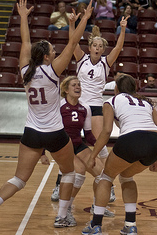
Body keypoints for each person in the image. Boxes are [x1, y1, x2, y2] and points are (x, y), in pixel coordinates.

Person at [0, 0, 92, 234]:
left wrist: (23, 17)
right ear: (47, 57)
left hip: (31, 132)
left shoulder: (25, 70)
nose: (55, 51)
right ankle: (61, 218)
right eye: (52, 50)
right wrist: (84, 19)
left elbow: (25, 41)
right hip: (55, 133)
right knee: (69, 172)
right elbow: (73, 42)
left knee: (19, 179)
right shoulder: (53, 70)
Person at [81, 74, 157, 235]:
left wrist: (92, 156)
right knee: (126, 177)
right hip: (153, 143)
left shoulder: (111, 101)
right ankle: (130, 224)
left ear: (116, 89)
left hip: (131, 139)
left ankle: (96, 225)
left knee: (106, 177)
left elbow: (106, 131)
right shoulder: (146, 102)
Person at [68, 11, 128, 203]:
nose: (97, 48)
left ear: (103, 49)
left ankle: (107, 183)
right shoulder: (81, 58)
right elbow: (72, 42)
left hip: (95, 107)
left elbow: (119, 46)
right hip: (78, 106)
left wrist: (123, 28)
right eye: (95, 45)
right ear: (90, 46)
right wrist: (72, 23)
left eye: (101, 46)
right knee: (70, 146)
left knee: (100, 147)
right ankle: (62, 181)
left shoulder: (106, 62)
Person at [49, 76, 115, 218]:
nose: (78, 87)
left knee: (101, 174)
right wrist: (43, 151)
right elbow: (49, 128)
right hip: (63, 146)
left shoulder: (84, 107)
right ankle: (66, 208)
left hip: (78, 145)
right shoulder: (59, 106)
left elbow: (88, 134)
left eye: (79, 84)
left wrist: (100, 146)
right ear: (66, 89)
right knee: (79, 173)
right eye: (74, 85)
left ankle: (96, 207)